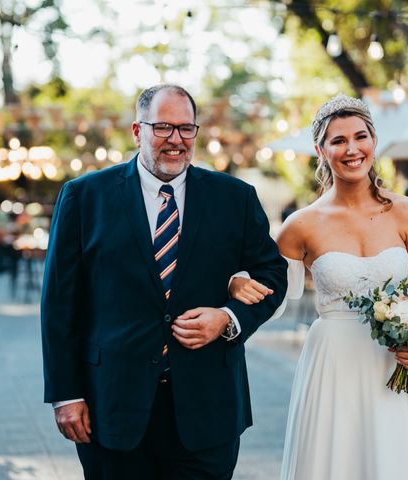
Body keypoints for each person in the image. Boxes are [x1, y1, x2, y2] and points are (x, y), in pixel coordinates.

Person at [41, 84, 287, 480]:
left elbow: (273, 274)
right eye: (163, 128)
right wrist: (66, 394)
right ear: (138, 131)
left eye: (186, 129)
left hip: (207, 408)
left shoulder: (235, 198)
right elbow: (59, 304)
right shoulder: (84, 197)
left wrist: (228, 317)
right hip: (111, 407)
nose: (176, 140)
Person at [230, 95, 408, 480]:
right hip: (332, 364)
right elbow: (271, 293)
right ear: (320, 150)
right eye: (338, 140)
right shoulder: (301, 225)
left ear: (374, 142)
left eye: (360, 137)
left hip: (392, 362)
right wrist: (235, 281)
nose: (352, 149)